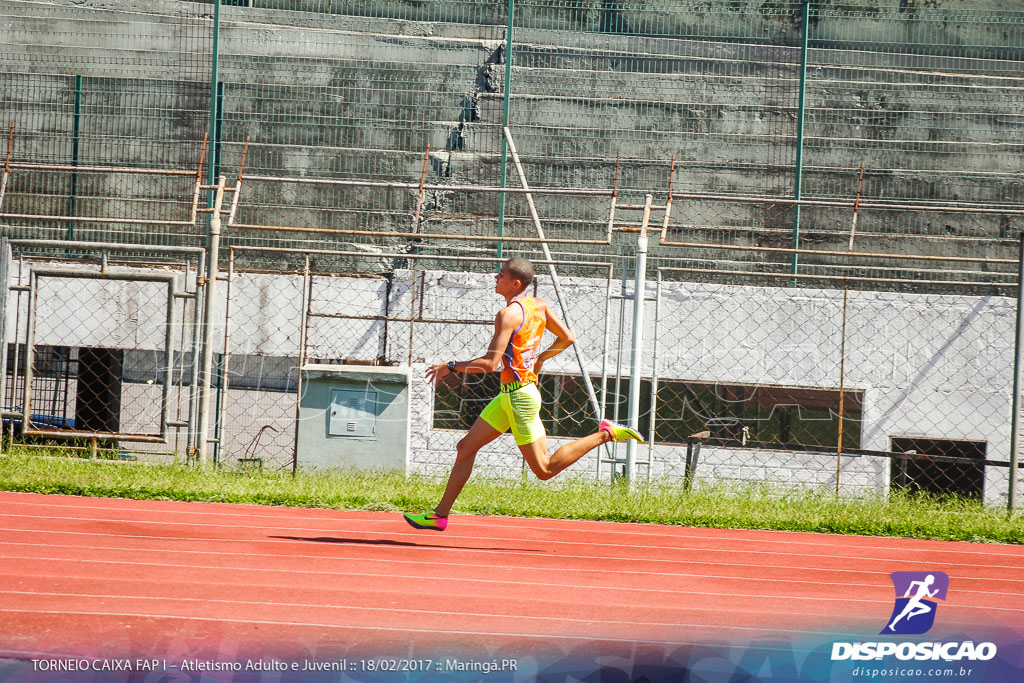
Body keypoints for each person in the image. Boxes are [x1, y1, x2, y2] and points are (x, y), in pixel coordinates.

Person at [404, 257, 644, 531]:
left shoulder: (507, 315)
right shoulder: (538, 305)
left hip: (519, 398)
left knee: (544, 470)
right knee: (465, 447)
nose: (496, 277)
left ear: (516, 283)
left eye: (501, 274)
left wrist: (451, 366)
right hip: (510, 395)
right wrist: (540, 360)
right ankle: (439, 515)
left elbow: (490, 364)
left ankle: (606, 433)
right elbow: (567, 338)